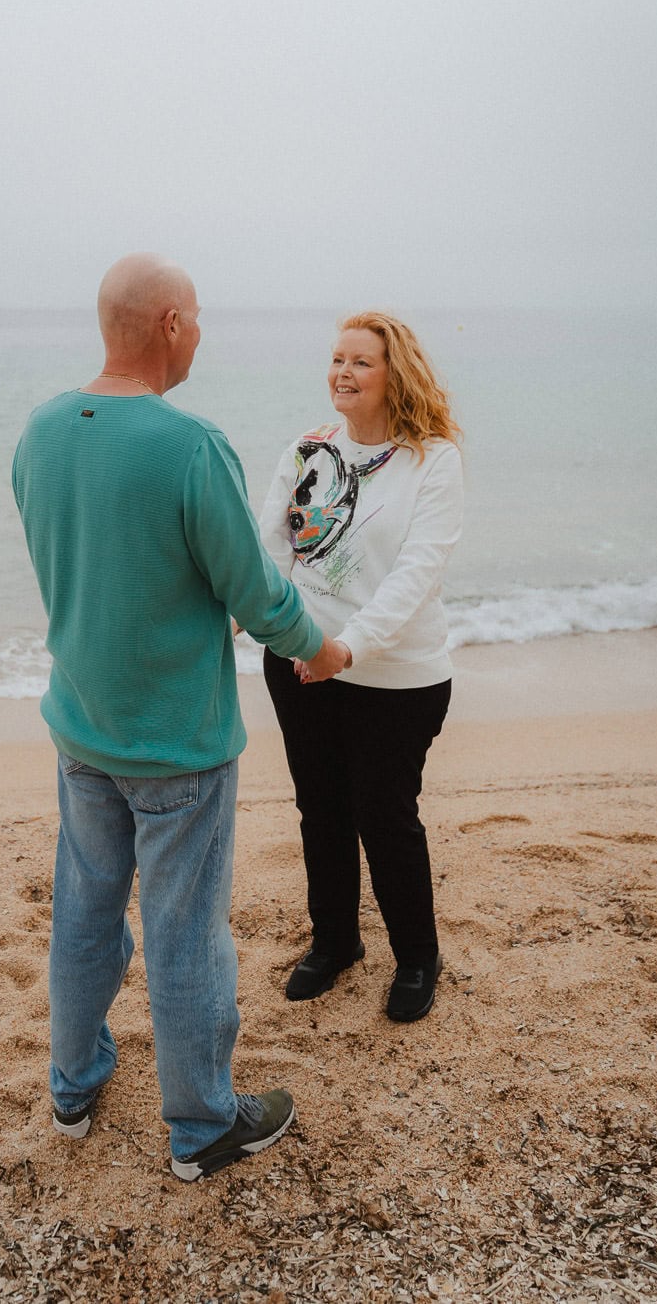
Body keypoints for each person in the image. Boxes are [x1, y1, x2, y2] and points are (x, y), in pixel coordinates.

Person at [12, 254, 347, 1182]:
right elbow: (252, 590)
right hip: (176, 744)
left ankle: (73, 1087)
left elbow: (75, 559)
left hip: (82, 724)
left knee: (85, 912)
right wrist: (319, 648)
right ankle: (202, 1127)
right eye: (196, 316)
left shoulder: (40, 431)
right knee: (186, 931)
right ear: (168, 324)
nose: (201, 331)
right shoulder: (191, 444)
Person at [259, 311, 462, 1022]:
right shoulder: (308, 449)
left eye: (361, 362)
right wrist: (266, 632)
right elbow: (271, 552)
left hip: (395, 677)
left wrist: (346, 649)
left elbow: (417, 574)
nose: (342, 373)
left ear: (394, 375)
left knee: (385, 816)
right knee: (320, 809)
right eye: (337, 359)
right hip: (299, 666)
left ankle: (417, 956)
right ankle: (336, 942)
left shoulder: (433, 460)